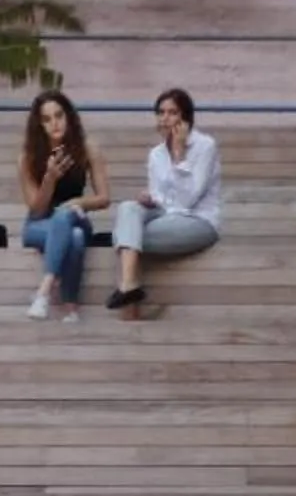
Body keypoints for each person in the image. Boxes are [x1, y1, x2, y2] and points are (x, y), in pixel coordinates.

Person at [105, 87, 221, 320]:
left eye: (172, 112)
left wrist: (179, 155)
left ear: (185, 118)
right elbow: (162, 197)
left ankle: (130, 303)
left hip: (198, 221)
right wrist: (150, 198)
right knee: (128, 208)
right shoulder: (156, 154)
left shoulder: (205, 146)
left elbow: (188, 200)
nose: (165, 118)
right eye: (161, 112)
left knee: (124, 237)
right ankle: (129, 286)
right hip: (166, 217)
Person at [17, 90, 109, 322]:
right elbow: (36, 210)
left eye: (59, 115)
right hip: (39, 225)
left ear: (68, 116)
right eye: (47, 120)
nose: (54, 123)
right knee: (75, 238)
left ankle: (44, 291)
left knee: (67, 217)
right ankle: (70, 307)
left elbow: (104, 198)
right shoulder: (28, 156)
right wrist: (49, 179)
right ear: (40, 125)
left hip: (76, 215)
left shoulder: (88, 148)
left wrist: (77, 202)